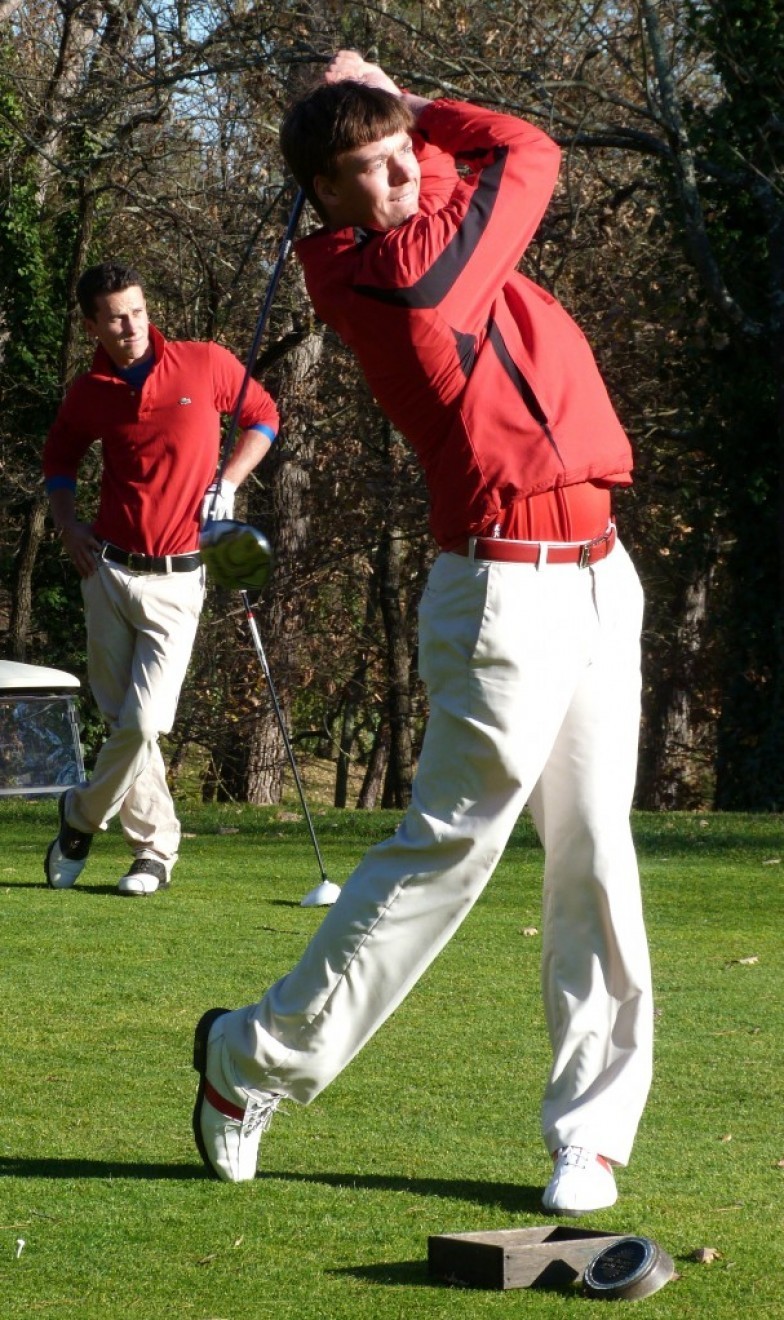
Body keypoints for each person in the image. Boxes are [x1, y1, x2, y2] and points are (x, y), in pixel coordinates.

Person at [191, 51, 653, 1216]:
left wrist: (393, 107)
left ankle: (589, 1135)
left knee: (596, 853)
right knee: (448, 851)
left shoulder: (428, 208)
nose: (399, 173)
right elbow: (529, 148)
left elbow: (468, 161)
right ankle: (252, 1060)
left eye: (401, 154)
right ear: (327, 199)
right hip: (503, 594)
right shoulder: (395, 273)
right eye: (366, 169)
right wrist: (414, 96)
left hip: (601, 575)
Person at [42, 261, 279, 896]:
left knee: (143, 725)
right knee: (126, 725)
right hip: (108, 571)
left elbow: (263, 416)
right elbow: (59, 460)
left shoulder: (204, 363)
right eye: (115, 316)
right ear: (93, 322)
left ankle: (79, 815)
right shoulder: (88, 388)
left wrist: (229, 482)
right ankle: (154, 853)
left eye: (138, 310)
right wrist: (68, 526)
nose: (131, 325)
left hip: (180, 579)